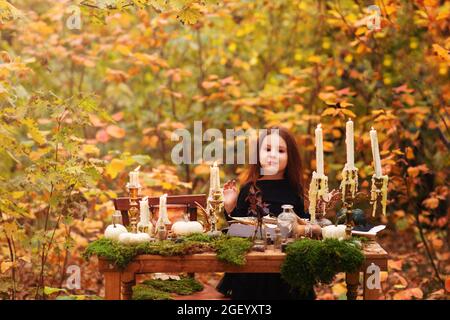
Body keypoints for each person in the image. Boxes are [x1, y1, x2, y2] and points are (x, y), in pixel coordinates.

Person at [217, 126, 322, 300]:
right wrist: (229, 206)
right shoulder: (249, 188)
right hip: (253, 263)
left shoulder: (295, 190)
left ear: (290, 157)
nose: (272, 155)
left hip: (286, 263)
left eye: (280, 150)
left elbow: (303, 224)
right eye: (267, 149)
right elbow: (238, 226)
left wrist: (310, 220)